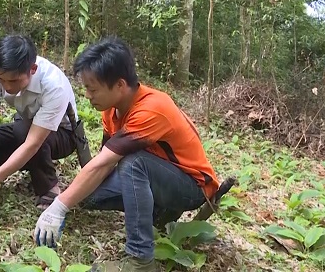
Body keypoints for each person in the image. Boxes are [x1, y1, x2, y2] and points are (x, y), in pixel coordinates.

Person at [33, 37, 220, 272]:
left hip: (191, 186)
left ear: (120, 85)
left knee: (133, 163)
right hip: (156, 177)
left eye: (93, 89)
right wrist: (69, 200)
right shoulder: (111, 109)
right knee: (87, 196)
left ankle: (140, 260)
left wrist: (59, 205)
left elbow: (106, 163)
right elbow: (104, 160)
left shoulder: (153, 108)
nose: (88, 95)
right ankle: (158, 213)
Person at [0, 34, 81, 210]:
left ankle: (49, 188)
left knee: (24, 135)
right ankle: (28, 163)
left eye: (14, 81)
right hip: (25, 125)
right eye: (1, 79)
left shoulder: (54, 86)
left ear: (32, 69)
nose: (7, 87)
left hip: (62, 135)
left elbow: (33, 143)